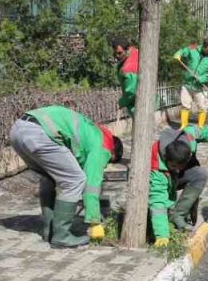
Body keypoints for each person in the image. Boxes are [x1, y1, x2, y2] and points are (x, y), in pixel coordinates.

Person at [9, 105, 123, 249]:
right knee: (75, 180)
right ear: (113, 153)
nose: (104, 164)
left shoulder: (91, 132)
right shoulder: (104, 147)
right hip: (40, 133)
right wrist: (95, 222)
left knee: (51, 177)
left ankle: (49, 230)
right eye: (108, 162)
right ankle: (61, 236)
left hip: (18, 130)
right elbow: (91, 185)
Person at [148, 123, 208, 245]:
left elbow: (197, 131)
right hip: (160, 178)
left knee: (200, 173)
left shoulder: (188, 138)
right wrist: (162, 234)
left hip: (173, 177)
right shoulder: (156, 164)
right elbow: (157, 201)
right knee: (160, 203)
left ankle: (178, 215)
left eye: (180, 166)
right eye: (173, 166)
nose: (177, 169)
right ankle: (162, 219)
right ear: (166, 157)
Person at [175, 38, 208, 130]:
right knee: (185, 105)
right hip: (187, 84)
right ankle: (183, 125)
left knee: (202, 107)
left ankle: (201, 127)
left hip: (200, 87)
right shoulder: (193, 48)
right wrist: (179, 53)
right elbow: (184, 50)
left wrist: (202, 78)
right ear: (203, 46)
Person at [113, 39, 138, 115]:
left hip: (137, 108)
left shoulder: (128, 68)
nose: (117, 56)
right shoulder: (138, 52)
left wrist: (121, 102)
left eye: (120, 53)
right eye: (115, 54)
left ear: (128, 48)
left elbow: (131, 93)